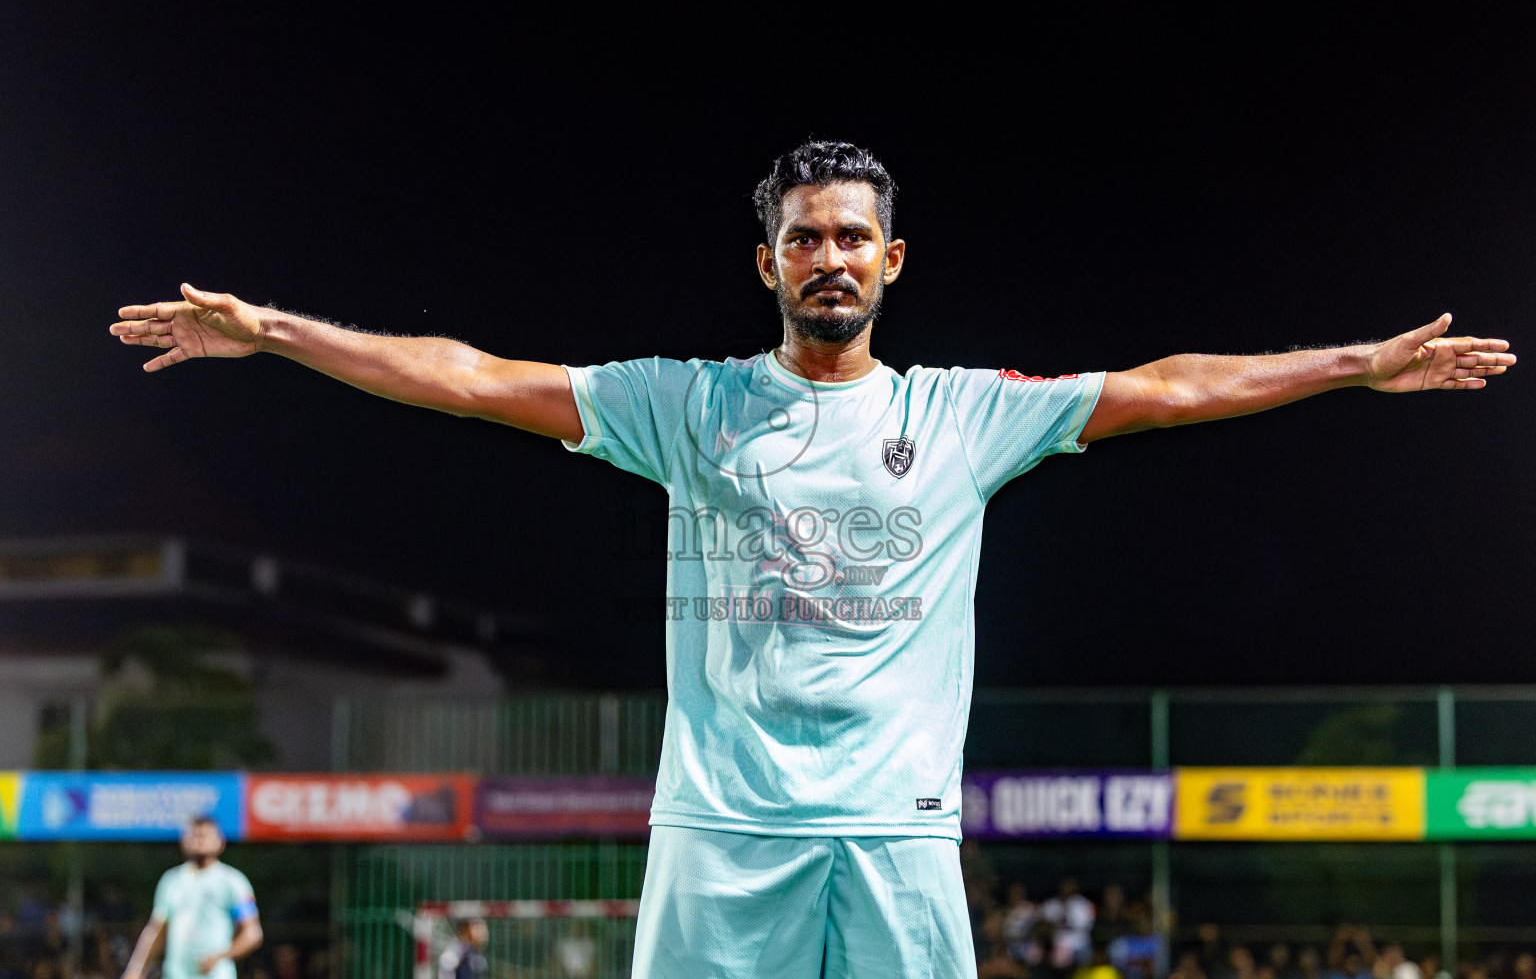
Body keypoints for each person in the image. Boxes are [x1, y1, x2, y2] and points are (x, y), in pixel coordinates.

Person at [109, 140, 1516, 978]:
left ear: (893, 258)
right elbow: (471, 377)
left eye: (851, 236)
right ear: (769, 264)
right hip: (718, 838)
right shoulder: (686, 404)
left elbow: (1175, 385)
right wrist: (278, 331)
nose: (828, 257)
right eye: (803, 240)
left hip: (896, 833)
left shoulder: (964, 413)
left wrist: (1352, 368)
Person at [120, 816, 262, 979]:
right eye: (194, 836)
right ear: (184, 841)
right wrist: (136, 970)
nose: (200, 841)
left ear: (220, 842)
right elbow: (157, 929)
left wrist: (220, 957)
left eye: (206, 836)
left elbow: (252, 933)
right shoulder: (171, 881)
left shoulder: (233, 882)